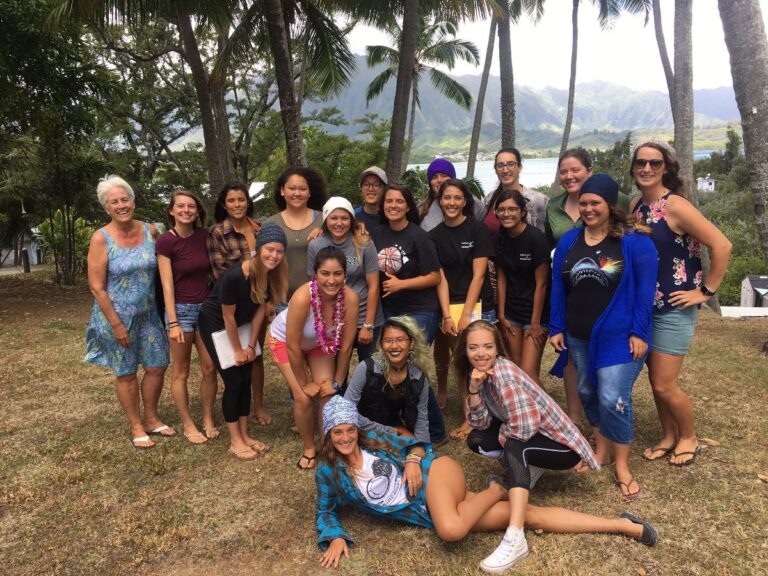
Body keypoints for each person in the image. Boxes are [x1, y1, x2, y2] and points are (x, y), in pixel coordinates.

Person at [316, 395, 658, 571]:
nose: (346, 437)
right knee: (526, 516)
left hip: (440, 476)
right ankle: (622, 525)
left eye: (350, 430)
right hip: (435, 510)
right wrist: (333, 537)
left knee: (450, 531)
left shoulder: (374, 439)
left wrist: (411, 459)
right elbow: (325, 511)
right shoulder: (329, 473)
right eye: (338, 432)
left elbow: (418, 444)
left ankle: (497, 487)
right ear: (328, 435)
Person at [458, 320, 635, 572]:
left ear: (497, 348)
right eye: (473, 347)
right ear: (465, 351)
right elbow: (481, 422)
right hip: (534, 435)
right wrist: (474, 390)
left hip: (564, 447)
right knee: (477, 440)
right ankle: (526, 471)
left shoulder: (503, 374)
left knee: (513, 445)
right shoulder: (478, 374)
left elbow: (525, 427)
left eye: (487, 346)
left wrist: (505, 440)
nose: (481, 353)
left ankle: (516, 535)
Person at [549, 174, 658, 497]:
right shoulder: (569, 240)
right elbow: (559, 287)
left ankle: (622, 463)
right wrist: (557, 326)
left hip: (620, 337)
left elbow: (644, 294)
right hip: (578, 333)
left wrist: (639, 332)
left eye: (595, 202)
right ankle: (601, 448)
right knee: (585, 389)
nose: (588, 208)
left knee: (613, 397)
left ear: (610, 205)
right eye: (583, 203)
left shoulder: (635, 243)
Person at [630, 141, 732, 466]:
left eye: (655, 163)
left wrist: (705, 291)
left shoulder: (675, 206)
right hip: (646, 308)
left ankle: (688, 436)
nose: (647, 168)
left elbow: (722, 245)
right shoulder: (636, 206)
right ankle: (668, 434)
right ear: (633, 168)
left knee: (663, 382)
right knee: (654, 380)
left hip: (675, 307)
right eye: (641, 162)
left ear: (666, 168)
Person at [85, 175, 170, 449]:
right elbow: (97, 288)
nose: (121, 205)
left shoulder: (150, 231)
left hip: (148, 314)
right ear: (106, 208)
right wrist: (116, 324)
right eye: (114, 202)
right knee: (126, 371)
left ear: (133, 201)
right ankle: (136, 425)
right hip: (115, 316)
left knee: (157, 365)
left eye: (125, 199)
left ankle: (152, 418)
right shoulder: (101, 238)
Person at [198, 223, 288, 460]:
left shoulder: (271, 274)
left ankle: (245, 434)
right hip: (216, 324)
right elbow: (227, 316)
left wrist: (250, 347)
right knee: (234, 380)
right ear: (259, 249)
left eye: (279, 251)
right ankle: (235, 440)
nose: (274, 256)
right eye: (270, 250)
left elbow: (260, 311)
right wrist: (237, 349)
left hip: (243, 323)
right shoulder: (236, 275)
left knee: (247, 377)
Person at [269, 247, 359, 469]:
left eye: (337, 274)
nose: (331, 280)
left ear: (345, 275)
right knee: (303, 397)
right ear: (315, 274)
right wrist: (304, 382)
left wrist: (336, 382)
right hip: (285, 342)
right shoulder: (302, 297)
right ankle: (310, 447)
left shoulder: (350, 298)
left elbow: (346, 347)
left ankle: (327, 445)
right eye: (325, 274)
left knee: (327, 392)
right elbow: (292, 346)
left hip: (320, 344)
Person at [429, 178, 494, 438]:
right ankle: (470, 417)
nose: (452, 203)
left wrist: (467, 314)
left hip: (478, 305)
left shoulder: (477, 231)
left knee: (482, 361)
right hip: (450, 306)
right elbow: (440, 277)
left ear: (465, 201)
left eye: (457, 198)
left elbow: (479, 275)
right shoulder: (434, 236)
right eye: (447, 198)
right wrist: (447, 315)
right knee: (461, 364)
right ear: (439, 201)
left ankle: (492, 411)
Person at [156, 189, 218, 443]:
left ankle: (207, 418)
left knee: (210, 367)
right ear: (171, 211)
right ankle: (188, 423)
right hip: (179, 311)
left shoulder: (203, 236)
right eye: (180, 206)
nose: (186, 210)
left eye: (191, 206)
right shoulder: (165, 242)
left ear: (197, 211)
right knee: (181, 370)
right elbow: (166, 284)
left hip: (204, 310)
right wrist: (172, 322)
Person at [207, 182, 271, 426]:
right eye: (232, 200)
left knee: (255, 354)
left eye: (241, 200)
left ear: (248, 202)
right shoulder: (217, 232)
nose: (237, 205)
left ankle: (259, 406)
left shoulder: (261, 229)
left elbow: (269, 265)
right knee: (237, 353)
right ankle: (238, 405)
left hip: (260, 301)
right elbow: (219, 274)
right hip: (233, 303)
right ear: (224, 204)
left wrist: (268, 301)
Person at [307, 197, 383, 364]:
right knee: (335, 370)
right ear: (326, 220)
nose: (339, 223)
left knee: (373, 370)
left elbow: (374, 286)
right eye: (334, 218)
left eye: (344, 218)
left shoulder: (364, 243)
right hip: (333, 318)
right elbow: (314, 285)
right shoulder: (316, 245)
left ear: (351, 220)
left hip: (365, 315)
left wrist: (368, 325)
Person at [343, 316, 434, 443]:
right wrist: (386, 430)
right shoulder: (366, 368)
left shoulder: (418, 378)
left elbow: (421, 420)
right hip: (357, 428)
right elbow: (345, 410)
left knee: (416, 453)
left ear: (411, 343)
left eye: (400, 340)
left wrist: (423, 448)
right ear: (381, 344)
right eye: (388, 340)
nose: (394, 346)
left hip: (392, 428)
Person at [371, 184, 441, 343]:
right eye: (389, 201)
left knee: (413, 360)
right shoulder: (375, 234)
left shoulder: (420, 237)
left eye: (399, 201)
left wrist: (401, 284)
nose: (393, 205)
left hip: (420, 310)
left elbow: (435, 277)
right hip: (389, 309)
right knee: (393, 360)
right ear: (383, 206)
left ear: (408, 207)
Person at [494, 190, 550, 385]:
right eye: (502, 210)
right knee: (515, 367)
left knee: (528, 373)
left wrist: (535, 323)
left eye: (512, 209)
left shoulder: (536, 239)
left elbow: (542, 283)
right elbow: (501, 278)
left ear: (522, 212)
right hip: (511, 313)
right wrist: (501, 315)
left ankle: (546, 413)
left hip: (535, 315)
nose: (507, 214)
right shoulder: (500, 237)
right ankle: (523, 414)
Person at [263, 166, 327, 302]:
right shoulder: (270, 223)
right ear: (282, 191)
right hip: (281, 301)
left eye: (302, 189)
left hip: (318, 300)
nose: (297, 193)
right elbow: (262, 266)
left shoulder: (325, 220)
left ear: (309, 193)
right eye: (292, 188)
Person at [481, 148, 548, 234]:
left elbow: (544, 237)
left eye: (510, 164)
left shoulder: (538, 200)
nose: (505, 170)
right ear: (496, 170)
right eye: (500, 165)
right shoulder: (490, 199)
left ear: (519, 167)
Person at [354, 166, 387, 234]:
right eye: (366, 184)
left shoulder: (391, 218)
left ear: (384, 189)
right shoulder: (352, 217)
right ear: (361, 188)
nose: (370, 189)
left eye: (376, 184)